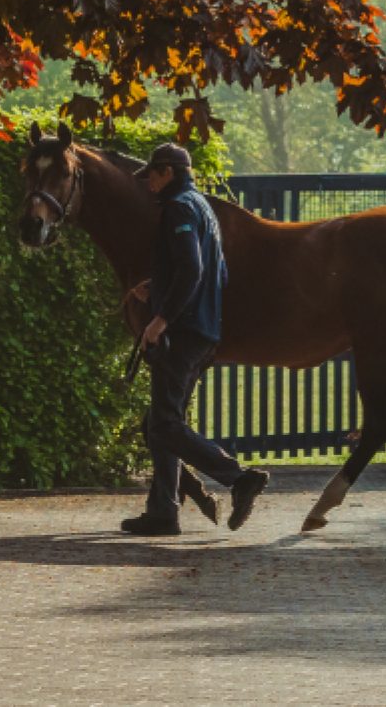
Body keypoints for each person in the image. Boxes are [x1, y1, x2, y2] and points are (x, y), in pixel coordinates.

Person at [121, 142, 269, 536]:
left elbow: (192, 268)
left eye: (152, 174)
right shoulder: (202, 207)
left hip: (184, 332)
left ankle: (239, 478)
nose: (148, 182)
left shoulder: (178, 208)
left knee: (165, 424)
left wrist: (160, 319)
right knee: (159, 422)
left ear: (168, 171)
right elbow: (204, 273)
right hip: (203, 330)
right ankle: (162, 512)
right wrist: (157, 288)